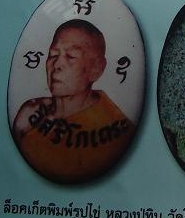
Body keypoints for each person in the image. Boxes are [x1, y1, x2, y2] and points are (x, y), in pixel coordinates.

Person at [12, 20, 134, 183]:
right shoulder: (29, 114)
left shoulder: (118, 131)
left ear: (96, 69)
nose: (57, 65)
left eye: (70, 56)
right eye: (53, 55)